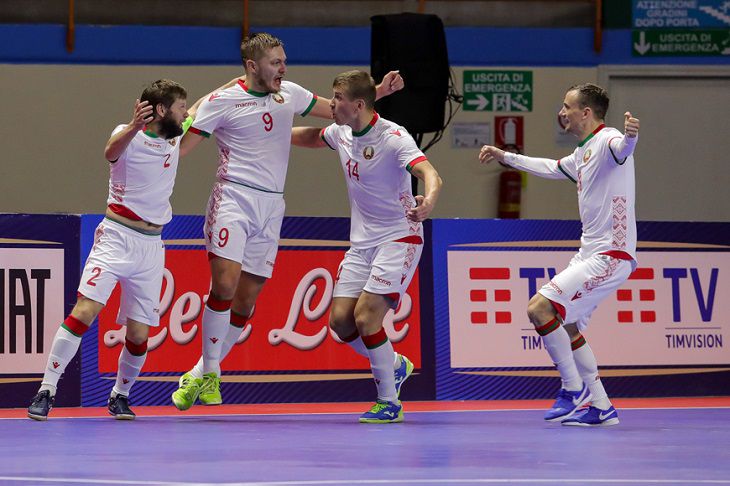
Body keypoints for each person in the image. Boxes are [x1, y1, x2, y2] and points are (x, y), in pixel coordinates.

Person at [171, 33, 404, 411]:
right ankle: (211, 372)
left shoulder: (290, 94)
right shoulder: (222, 101)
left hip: (271, 206)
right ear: (252, 66)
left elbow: (339, 110)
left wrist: (379, 91)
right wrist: (151, 143)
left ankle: (198, 373)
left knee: (245, 300)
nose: (283, 68)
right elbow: (181, 147)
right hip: (233, 198)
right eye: (275, 62)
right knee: (225, 284)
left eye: (284, 61)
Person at [27, 77, 235, 421]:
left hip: (151, 248)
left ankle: (119, 396)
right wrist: (135, 126)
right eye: (180, 108)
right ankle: (46, 390)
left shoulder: (174, 138)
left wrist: (239, 82)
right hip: (116, 238)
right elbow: (110, 152)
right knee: (84, 311)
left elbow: (201, 105)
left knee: (139, 334)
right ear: (162, 110)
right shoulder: (128, 134)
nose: (186, 114)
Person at [479, 83, 640, 427]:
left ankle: (572, 387)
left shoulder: (608, 139)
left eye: (567, 106)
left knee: (539, 307)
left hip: (611, 254)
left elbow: (623, 148)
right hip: (589, 253)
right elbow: (550, 167)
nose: (561, 112)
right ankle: (601, 406)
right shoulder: (582, 152)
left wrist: (631, 137)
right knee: (566, 325)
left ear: (586, 112)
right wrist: (505, 156)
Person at [291, 70, 442, 423]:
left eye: (338, 98)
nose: (332, 104)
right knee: (341, 323)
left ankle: (389, 401)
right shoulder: (342, 131)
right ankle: (394, 364)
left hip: (399, 236)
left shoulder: (393, 137)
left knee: (366, 317)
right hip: (361, 244)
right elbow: (312, 137)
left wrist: (430, 200)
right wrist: (269, 133)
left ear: (358, 105)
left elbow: (430, 173)